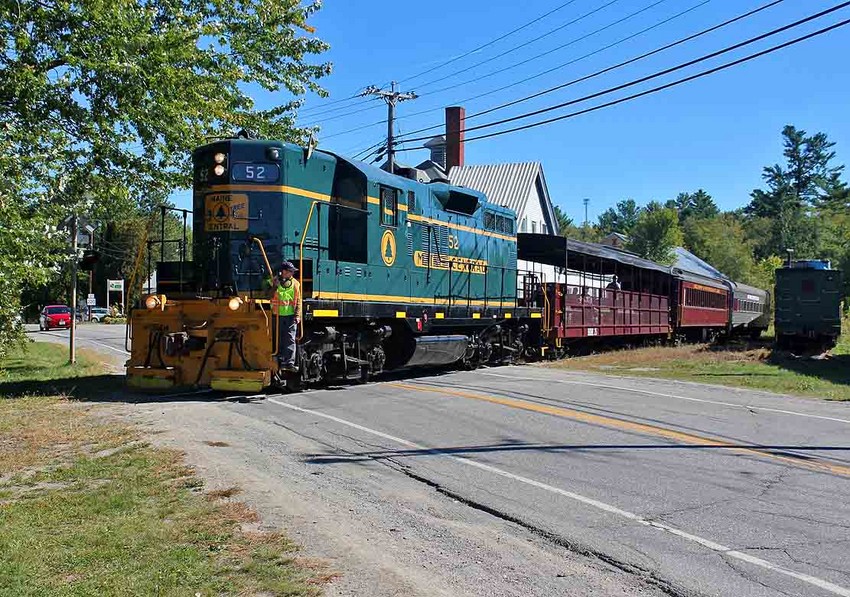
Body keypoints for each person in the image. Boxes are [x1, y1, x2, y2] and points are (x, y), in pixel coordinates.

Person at [270, 261, 301, 372]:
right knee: (277, 338)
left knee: (290, 339)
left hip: (290, 316)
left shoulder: (296, 284)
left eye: (292, 272)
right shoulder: (274, 281)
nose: (292, 273)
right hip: (276, 315)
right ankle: (277, 359)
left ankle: (289, 363)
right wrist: (275, 286)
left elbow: (298, 301)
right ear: (283, 272)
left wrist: (297, 315)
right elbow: (268, 294)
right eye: (290, 271)